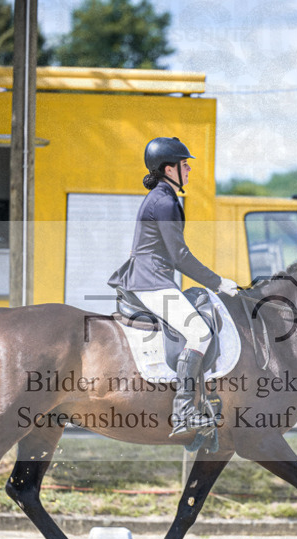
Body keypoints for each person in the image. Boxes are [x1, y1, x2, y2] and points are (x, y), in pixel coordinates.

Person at [107, 137, 239, 437]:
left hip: (151, 278)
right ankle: (184, 412)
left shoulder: (161, 196)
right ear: (169, 169)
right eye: (184, 164)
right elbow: (179, 255)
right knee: (200, 333)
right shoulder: (164, 201)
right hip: (151, 281)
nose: (189, 168)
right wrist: (218, 282)